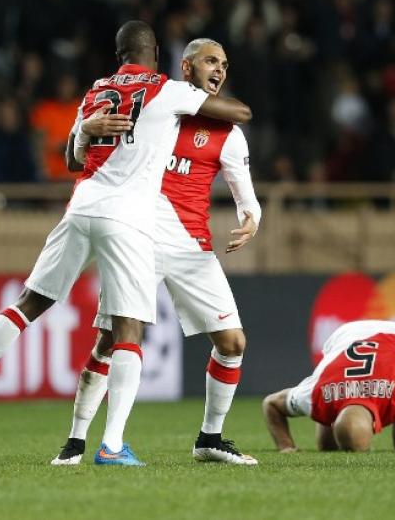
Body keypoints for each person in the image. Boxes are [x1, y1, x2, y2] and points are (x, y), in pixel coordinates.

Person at [0, 21, 252, 468]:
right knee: (127, 332)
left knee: (28, 304)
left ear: (118, 54)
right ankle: (112, 444)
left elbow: (71, 159)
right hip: (126, 219)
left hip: (81, 206)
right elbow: (240, 112)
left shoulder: (96, 92)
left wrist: (85, 130)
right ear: (156, 54)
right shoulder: (168, 90)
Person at [52, 38, 260, 466]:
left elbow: (246, 196)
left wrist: (251, 218)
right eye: (210, 61)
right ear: (187, 67)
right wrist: (85, 133)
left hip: (191, 247)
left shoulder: (228, 133)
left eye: (224, 64)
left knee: (233, 342)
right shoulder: (153, 106)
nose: (219, 70)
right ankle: (75, 442)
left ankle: (210, 438)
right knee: (109, 341)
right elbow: (90, 159)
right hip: (137, 237)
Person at [261, 320, 395, 453]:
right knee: (328, 448)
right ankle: (333, 430)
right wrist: (286, 447)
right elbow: (271, 404)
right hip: (343, 337)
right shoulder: (316, 396)